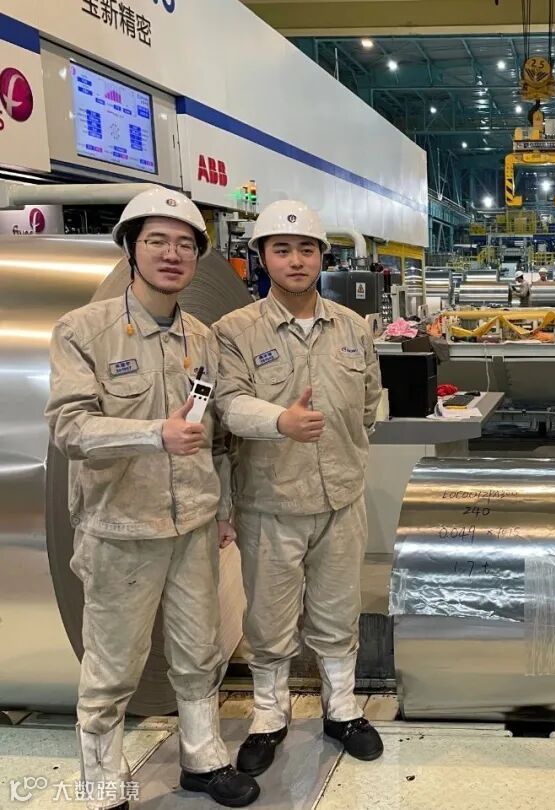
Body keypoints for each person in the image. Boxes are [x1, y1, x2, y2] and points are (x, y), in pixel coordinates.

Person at [45, 187, 260, 809]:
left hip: (192, 525)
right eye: (157, 241)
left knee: (199, 650)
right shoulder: (84, 331)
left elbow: (215, 437)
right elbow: (70, 428)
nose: (172, 254)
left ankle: (202, 757)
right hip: (120, 529)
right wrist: (151, 434)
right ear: (131, 250)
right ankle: (103, 782)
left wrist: (222, 510)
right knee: (113, 665)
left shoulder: (201, 337)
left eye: (185, 244)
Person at [213, 200, 384, 777]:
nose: (295, 260)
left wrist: (346, 452)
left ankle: (342, 709)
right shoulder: (234, 332)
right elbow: (228, 406)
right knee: (269, 618)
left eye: (306, 249)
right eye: (282, 249)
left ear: (321, 257)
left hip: (341, 499)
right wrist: (280, 421)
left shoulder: (353, 327)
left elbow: (368, 405)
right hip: (270, 501)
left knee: (338, 610)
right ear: (262, 257)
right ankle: (269, 715)